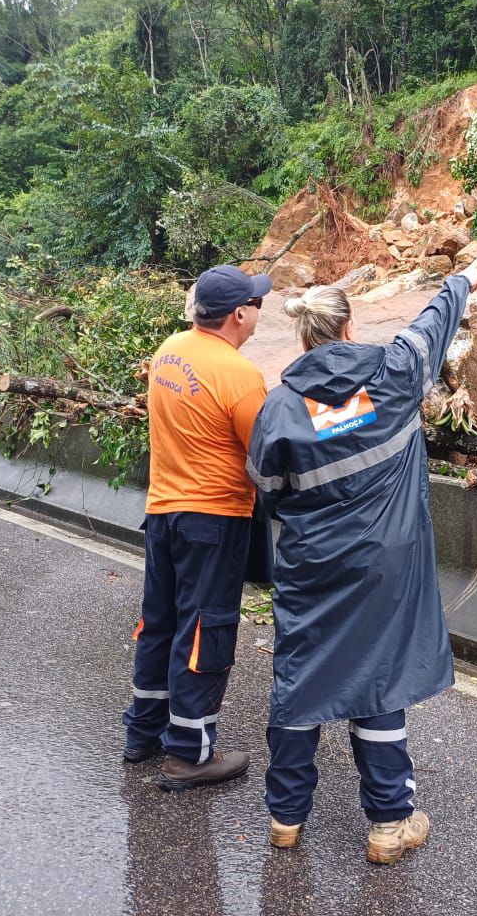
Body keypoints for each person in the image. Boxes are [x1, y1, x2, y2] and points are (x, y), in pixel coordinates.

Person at [246, 260, 477, 864]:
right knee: (379, 678)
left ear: (305, 336)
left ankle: (286, 818)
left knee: (301, 678)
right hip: (385, 567)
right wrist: (462, 280)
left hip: (311, 568)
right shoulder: (394, 376)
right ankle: (389, 823)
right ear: (349, 326)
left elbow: (269, 489)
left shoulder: (279, 408)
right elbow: (429, 325)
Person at [122, 264, 272, 792]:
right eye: (255, 303)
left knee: (159, 621)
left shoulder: (168, 350)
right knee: (205, 629)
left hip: (163, 511)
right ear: (238, 314)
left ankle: (143, 733)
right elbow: (268, 453)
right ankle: (189, 752)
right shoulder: (239, 375)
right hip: (213, 517)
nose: (259, 310)